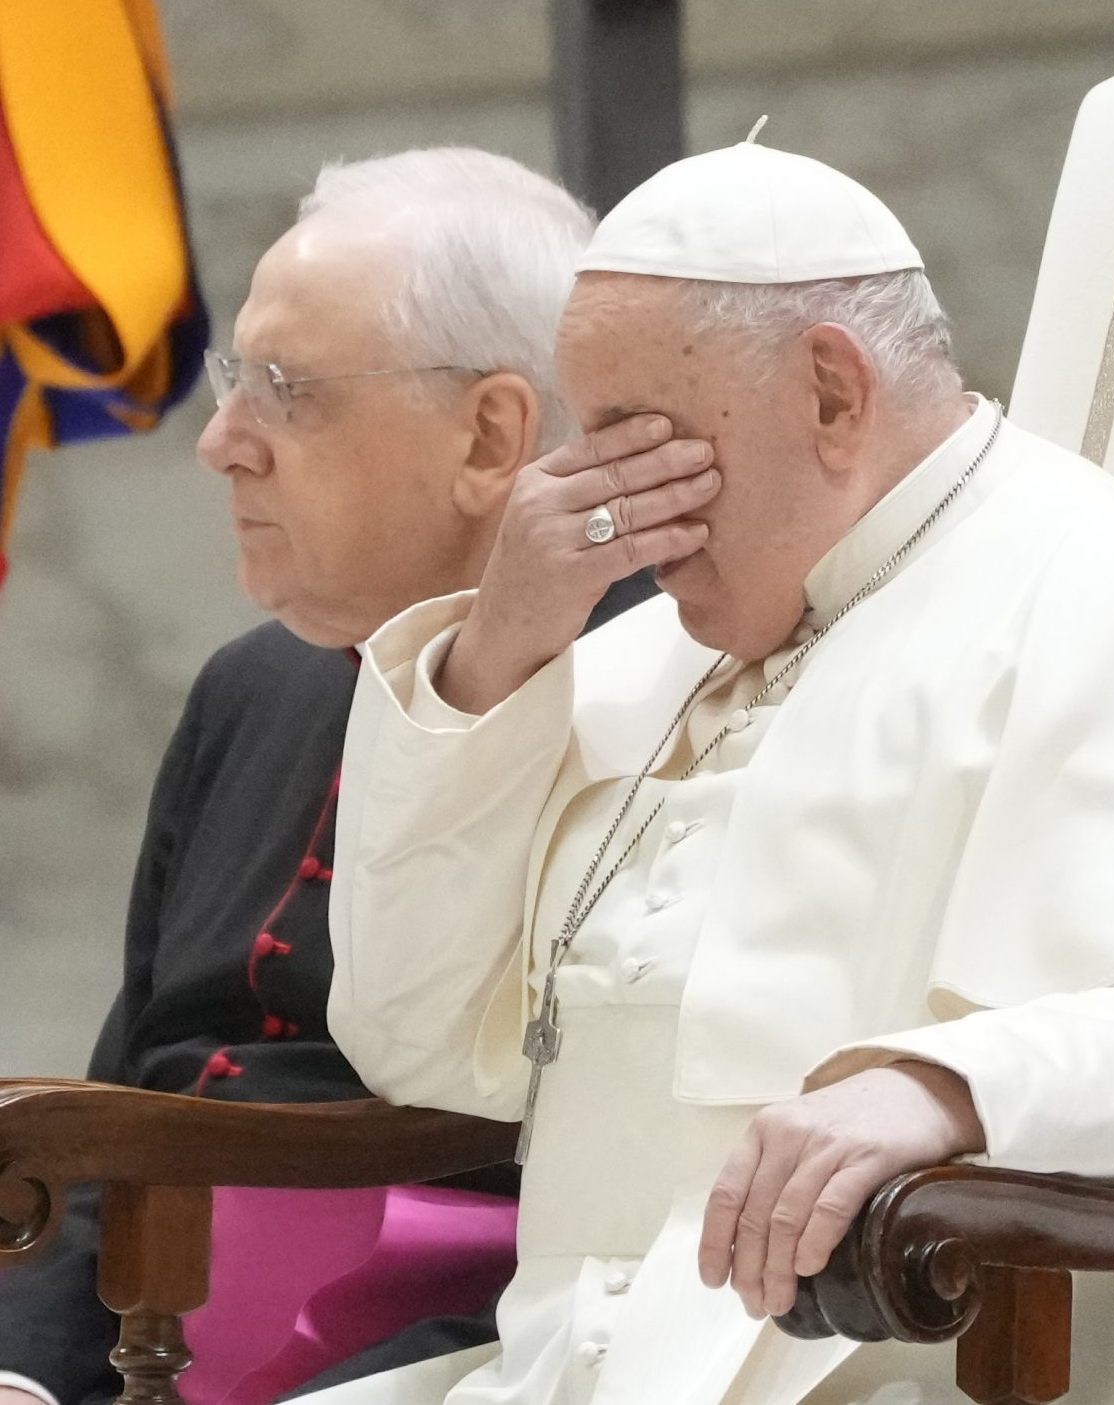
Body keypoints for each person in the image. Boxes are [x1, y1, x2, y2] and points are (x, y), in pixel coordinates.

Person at [322, 137, 1114, 1405]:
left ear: (830, 392)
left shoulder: (1106, 592)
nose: (589, 494)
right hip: (583, 1363)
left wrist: (939, 1088)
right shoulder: (634, 659)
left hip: (952, 1362)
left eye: (632, 436)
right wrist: (497, 656)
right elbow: (413, 1040)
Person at [0, 147, 662, 1405]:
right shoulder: (253, 687)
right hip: (134, 1349)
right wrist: (24, 1374)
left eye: (285, 391)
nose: (222, 445)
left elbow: (599, 1199)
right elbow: (123, 1106)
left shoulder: (658, 693)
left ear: (490, 436)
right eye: (229, 381)